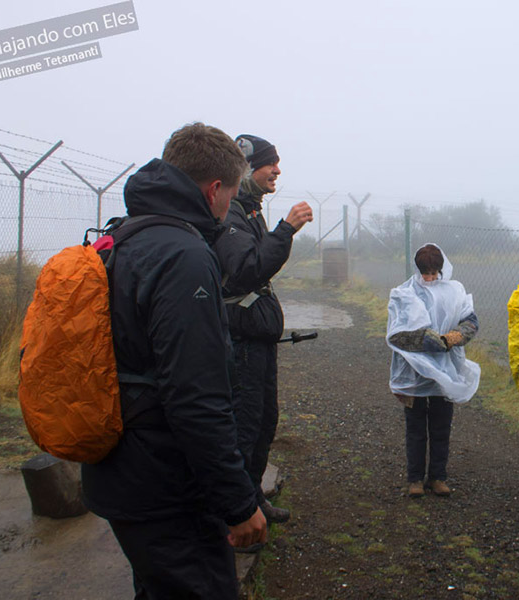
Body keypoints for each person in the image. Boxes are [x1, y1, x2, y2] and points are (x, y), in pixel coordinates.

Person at [81, 123, 267, 599]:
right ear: (214, 189)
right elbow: (196, 396)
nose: (228, 209)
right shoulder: (184, 255)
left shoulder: (122, 237)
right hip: (166, 485)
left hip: (118, 468)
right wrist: (239, 502)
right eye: (229, 195)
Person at [213, 134, 313, 527]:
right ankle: (236, 516)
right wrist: (286, 229)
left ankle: (252, 499)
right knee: (244, 427)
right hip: (241, 342)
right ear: (248, 170)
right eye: (271, 163)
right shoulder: (231, 215)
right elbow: (247, 269)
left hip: (257, 339)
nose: (278, 170)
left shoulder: (249, 210)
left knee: (263, 423)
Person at [386, 244, 480, 498]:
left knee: (441, 425)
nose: (430, 278)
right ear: (418, 270)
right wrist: (427, 340)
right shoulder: (404, 294)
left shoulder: (454, 290)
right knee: (415, 428)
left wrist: (455, 336)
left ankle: (438, 476)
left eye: (434, 272)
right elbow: (396, 335)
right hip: (413, 371)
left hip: (446, 368)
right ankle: (415, 478)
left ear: (441, 269)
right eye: (425, 273)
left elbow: (471, 320)